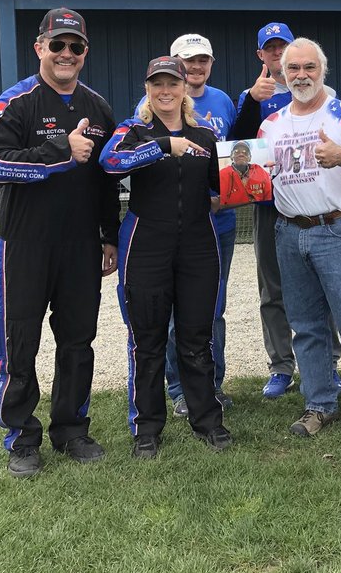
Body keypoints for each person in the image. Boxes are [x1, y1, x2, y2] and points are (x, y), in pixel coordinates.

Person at [0, 7, 120, 477]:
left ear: (85, 53)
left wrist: (109, 236)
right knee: (19, 341)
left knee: (78, 341)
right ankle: (22, 437)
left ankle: (71, 429)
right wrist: (60, 151)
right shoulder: (16, 101)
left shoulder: (98, 107)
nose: (65, 53)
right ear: (39, 47)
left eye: (75, 46)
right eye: (57, 44)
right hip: (25, 243)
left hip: (80, 246)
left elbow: (106, 180)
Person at [256, 38, 341, 450]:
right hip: (288, 231)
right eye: (293, 68)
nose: (301, 75)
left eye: (309, 67)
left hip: (337, 229)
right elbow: (257, 182)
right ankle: (319, 403)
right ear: (283, 73)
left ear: (322, 71)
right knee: (306, 325)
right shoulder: (270, 125)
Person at [99, 56, 232, 458]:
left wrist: (250, 177)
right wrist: (162, 147)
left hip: (198, 244)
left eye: (172, 83)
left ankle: (207, 419)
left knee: (197, 337)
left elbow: (224, 185)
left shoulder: (205, 134)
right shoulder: (133, 131)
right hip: (146, 244)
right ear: (148, 89)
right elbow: (109, 162)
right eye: (157, 84)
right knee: (148, 338)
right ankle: (146, 427)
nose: (165, 91)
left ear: (184, 88)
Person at [230, 21, 341, 399]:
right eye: (271, 48)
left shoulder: (323, 92)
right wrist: (251, 102)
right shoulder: (252, 95)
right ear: (260, 55)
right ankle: (281, 365)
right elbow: (237, 147)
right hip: (270, 204)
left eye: (284, 47)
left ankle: (328, 363)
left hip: (311, 201)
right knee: (272, 288)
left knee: (321, 285)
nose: (278, 54)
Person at [163, 33, 237, 419]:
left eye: (202, 60)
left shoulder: (223, 101)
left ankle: (213, 384)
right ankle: (179, 388)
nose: (196, 67)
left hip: (220, 222)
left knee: (214, 307)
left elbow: (235, 156)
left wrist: (231, 193)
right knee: (178, 310)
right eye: (188, 60)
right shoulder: (154, 103)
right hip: (176, 224)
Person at [218, 140, 272, 206]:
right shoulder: (222, 174)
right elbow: (222, 202)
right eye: (236, 152)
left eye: (245, 152)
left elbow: (269, 195)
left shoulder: (259, 171)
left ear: (250, 158)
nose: (241, 154)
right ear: (231, 156)